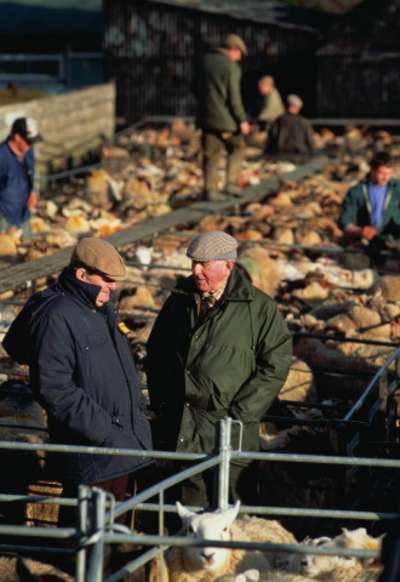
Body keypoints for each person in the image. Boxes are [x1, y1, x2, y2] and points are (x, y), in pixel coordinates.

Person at [3, 238, 152, 518]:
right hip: (94, 448)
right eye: (106, 280)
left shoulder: (99, 307)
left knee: (110, 534)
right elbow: (54, 388)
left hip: (118, 443)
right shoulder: (56, 317)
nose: (113, 287)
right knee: (87, 541)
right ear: (82, 275)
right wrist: (107, 432)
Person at [145, 231, 292, 507]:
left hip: (230, 430)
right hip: (183, 427)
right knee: (189, 514)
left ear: (228, 266)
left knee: (230, 511)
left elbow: (276, 364)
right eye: (193, 263)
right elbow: (157, 354)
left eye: (204, 264)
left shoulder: (259, 309)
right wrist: (163, 404)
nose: (195, 271)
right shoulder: (179, 300)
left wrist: (241, 412)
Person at [194, 34, 251, 202]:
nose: (240, 58)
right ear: (233, 50)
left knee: (210, 154)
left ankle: (210, 190)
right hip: (227, 121)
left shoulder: (203, 62)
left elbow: (194, 87)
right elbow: (234, 97)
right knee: (237, 148)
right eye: (239, 53)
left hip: (206, 118)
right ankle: (231, 183)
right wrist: (242, 119)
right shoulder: (231, 67)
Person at [339, 151, 400, 243]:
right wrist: (360, 231)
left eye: (389, 173)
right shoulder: (357, 192)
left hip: (394, 241)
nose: (386, 177)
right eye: (382, 173)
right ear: (372, 170)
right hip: (366, 243)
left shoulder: (396, 188)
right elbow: (345, 221)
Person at [0, 117, 41, 238]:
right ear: (17, 137)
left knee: (30, 250)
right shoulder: (2, 157)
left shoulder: (28, 150)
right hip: (4, 219)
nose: (31, 145)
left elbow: (31, 172)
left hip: (24, 214)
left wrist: (33, 191)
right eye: (28, 141)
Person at [265, 94, 315, 162]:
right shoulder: (304, 122)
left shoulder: (278, 121)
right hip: (301, 159)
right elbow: (311, 143)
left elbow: (270, 142)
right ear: (297, 108)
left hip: (280, 159)